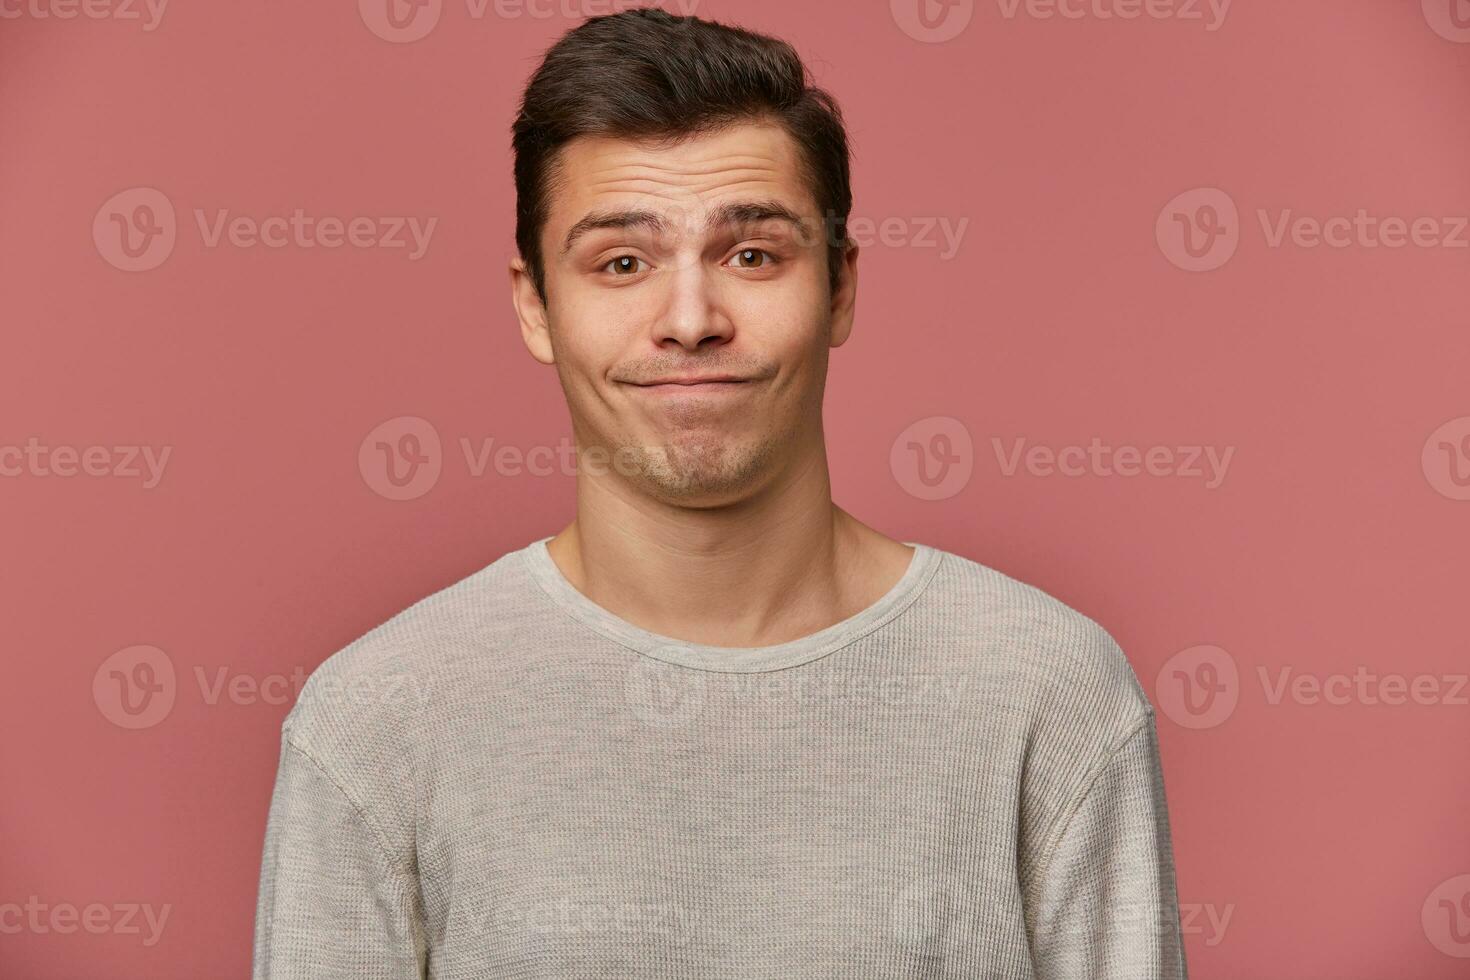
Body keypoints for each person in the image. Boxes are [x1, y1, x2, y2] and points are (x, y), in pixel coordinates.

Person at [252, 8, 1188, 978]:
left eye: (752, 254)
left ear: (841, 289)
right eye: (622, 261)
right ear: (535, 304)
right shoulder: (374, 724)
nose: (691, 319)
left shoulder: (1049, 694)